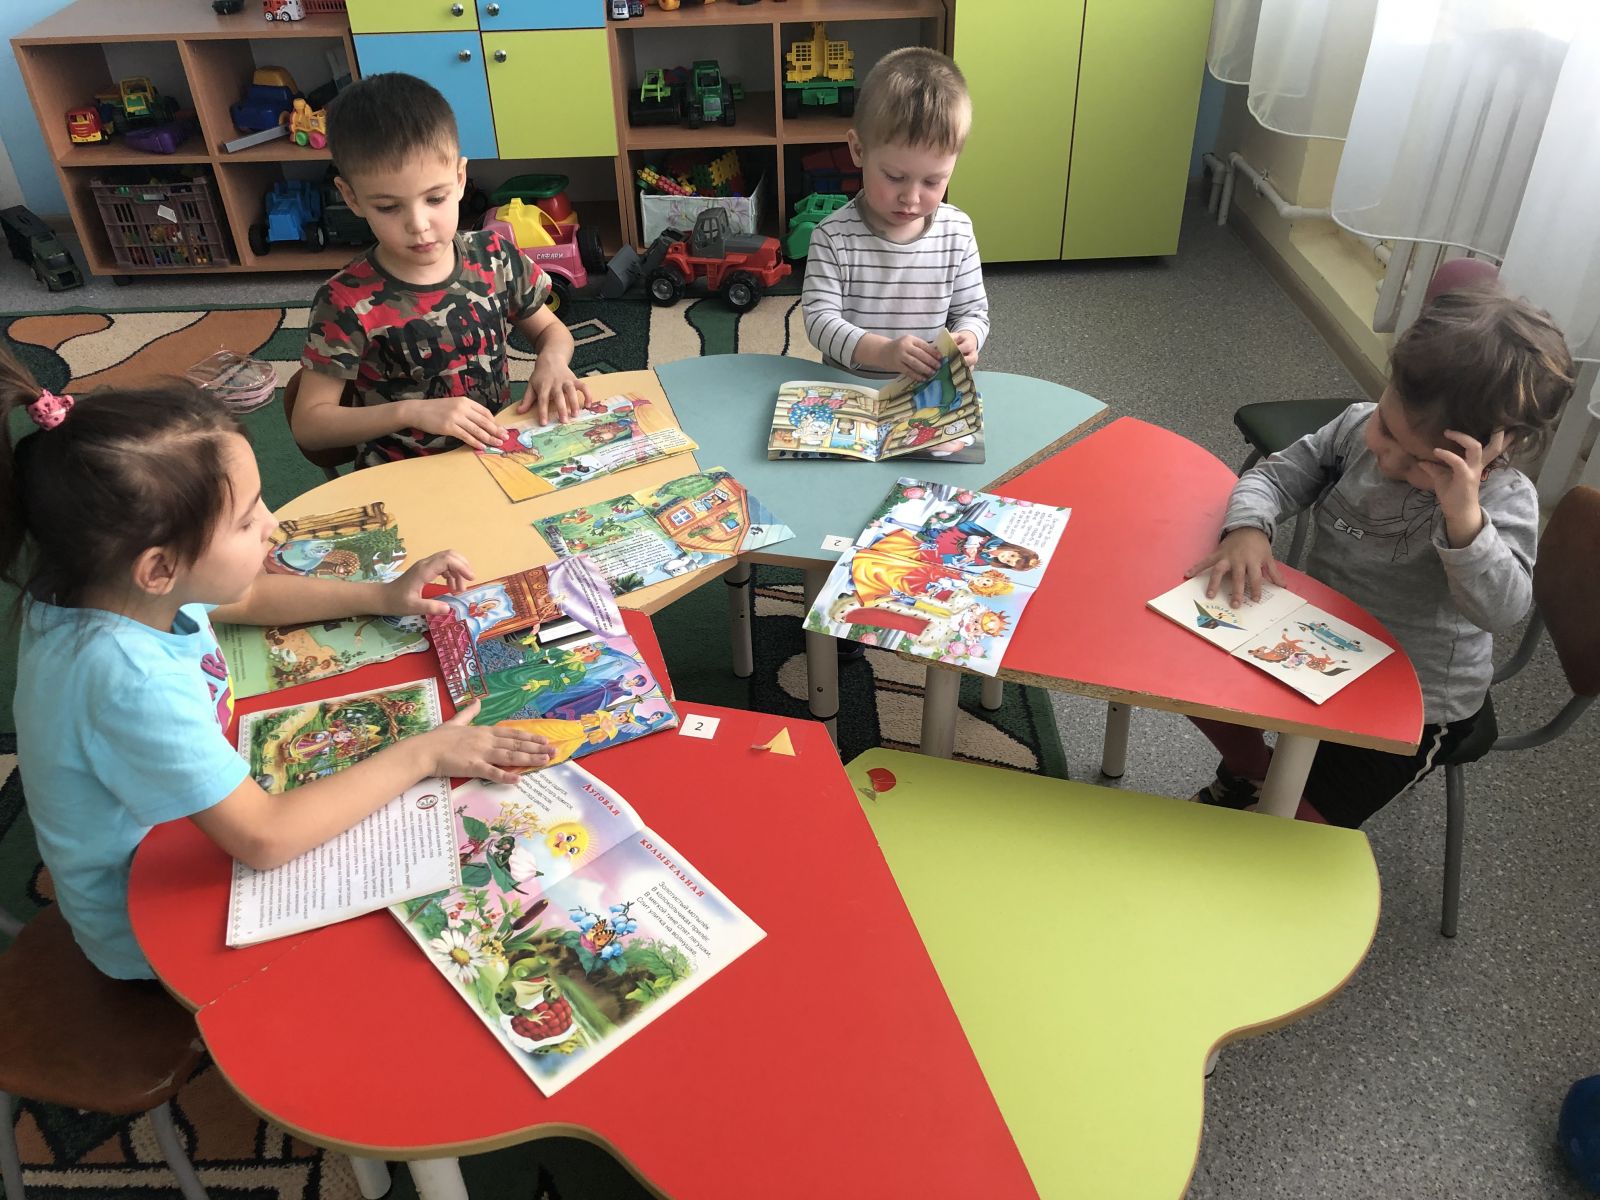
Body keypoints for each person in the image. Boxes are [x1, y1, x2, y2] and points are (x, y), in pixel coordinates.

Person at [0, 352, 555, 980]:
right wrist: (425, 753)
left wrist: (381, 594)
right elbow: (264, 838)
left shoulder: (101, 584)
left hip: (192, 821)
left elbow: (245, 597)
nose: (271, 525)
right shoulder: (127, 678)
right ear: (159, 568)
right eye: (247, 520)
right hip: (151, 928)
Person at [1186, 283, 1575, 827]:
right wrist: (1248, 528)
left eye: (1420, 462)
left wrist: (1464, 520)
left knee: (1285, 835)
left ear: (1493, 448)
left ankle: (1271, 795)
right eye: (1387, 428)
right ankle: (1254, 770)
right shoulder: (1354, 427)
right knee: (1186, 671)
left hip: (1417, 700)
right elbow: (1274, 477)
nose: (1387, 458)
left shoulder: (1503, 501)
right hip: (1317, 645)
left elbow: (1501, 610)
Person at [293, 72, 589, 469]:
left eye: (435, 198)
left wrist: (552, 360)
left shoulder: (494, 256)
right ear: (351, 197)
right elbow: (310, 425)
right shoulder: (344, 301)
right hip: (404, 474)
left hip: (493, 456)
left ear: (460, 178)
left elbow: (551, 331)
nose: (418, 224)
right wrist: (410, 412)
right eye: (388, 207)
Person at [801, 47, 989, 380]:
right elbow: (819, 321)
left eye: (932, 181)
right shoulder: (832, 237)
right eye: (894, 177)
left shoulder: (957, 232)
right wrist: (883, 352)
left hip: (923, 390)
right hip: (848, 387)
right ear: (858, 150)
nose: (911, 198)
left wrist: (969, 338)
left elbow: (972, 312)